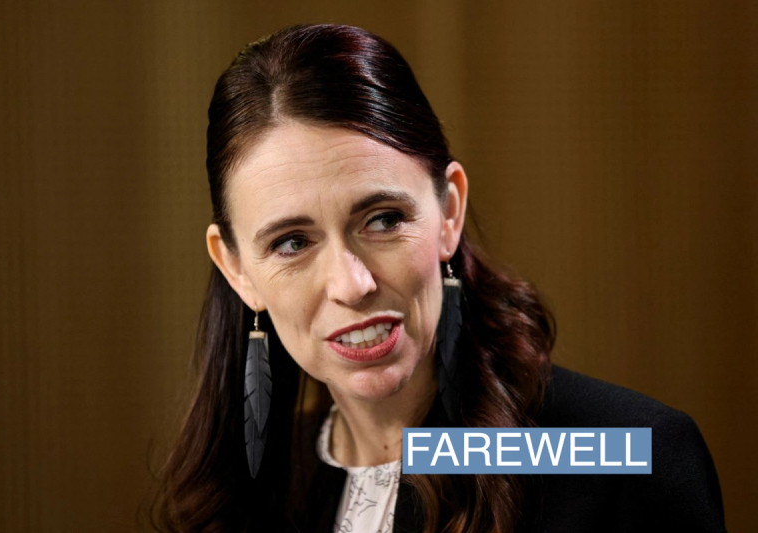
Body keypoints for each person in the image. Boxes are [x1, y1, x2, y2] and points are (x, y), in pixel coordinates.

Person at [149, 23, 727, 533]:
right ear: (237, 269)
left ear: (449, 211)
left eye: (383, 220)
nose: (351, 285)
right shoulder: (254, 491)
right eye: (292, 242)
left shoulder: (628, 456)